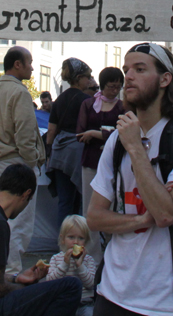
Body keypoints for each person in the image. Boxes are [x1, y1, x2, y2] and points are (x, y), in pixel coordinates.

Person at [88, 42, 173, 316]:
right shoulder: (116, 142)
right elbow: (95, 217)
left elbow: (166, 213)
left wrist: (135, 148)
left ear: (165, 79)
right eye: (126, 69)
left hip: (167, 301)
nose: (127, 77)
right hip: (111, 292)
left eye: (139, 69)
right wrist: (142, 220)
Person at [0, 162, 82, 316]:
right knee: (71, 286)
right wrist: (25, 289)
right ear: (26, 194)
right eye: (29, 200)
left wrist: (17, 278)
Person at [0, 46, 47, 277]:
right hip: (16, 164)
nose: (32, 67)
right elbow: (26, 134)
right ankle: (10, 274)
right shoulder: (20, 93)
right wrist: (32, 163)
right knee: (18, 225)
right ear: (17, 64)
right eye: (29, 62)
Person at [76, 67, 124, 263]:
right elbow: (79, 133)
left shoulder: (123, 107)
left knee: (114, 207)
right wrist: (105, 134)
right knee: (90, 207)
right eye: (111, 87)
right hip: (91, 161)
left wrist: (97, 134)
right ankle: (91, 258)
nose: (115, 91)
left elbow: (124, 133)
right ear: (103, 86)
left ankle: (114, 254)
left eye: (118, 87)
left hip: (115, 163)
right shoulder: (88, 105)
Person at [47, 58, 93, 221]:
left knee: (64, 201)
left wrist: (48, 153)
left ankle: (62, 242)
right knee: (81, 199)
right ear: (79, 78)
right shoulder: (87, 101)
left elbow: (51, 130)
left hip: (59, 154)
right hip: (78, 153)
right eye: (88, 76)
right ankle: (78, 241)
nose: (89, 80)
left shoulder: (59, 100)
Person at [46, 214, 98, 316]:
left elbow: (91, 284)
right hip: (63, 302)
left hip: (84, 302)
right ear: (63, 239)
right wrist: (64, 264)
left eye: (81, 238)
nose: (76, 242)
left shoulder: (88, 260)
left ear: (86, 241)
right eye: (71, 237)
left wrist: (80, 266)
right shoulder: (56, 259)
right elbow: (50, 282)